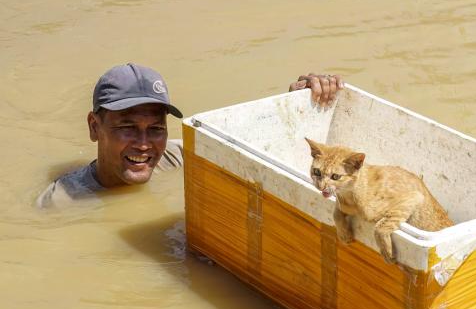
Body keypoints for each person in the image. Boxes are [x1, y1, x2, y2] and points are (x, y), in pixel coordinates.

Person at [37, 64, 343, 208]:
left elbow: (252, 151)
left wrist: (297, 104)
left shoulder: (180, 157)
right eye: (127, 127)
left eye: (156, 129)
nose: (144, 144)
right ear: (94, 127)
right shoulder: (62, 202)